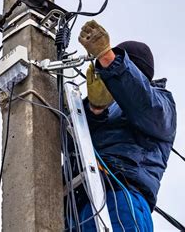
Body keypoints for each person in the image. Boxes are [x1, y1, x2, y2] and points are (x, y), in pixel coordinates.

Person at [75, 20, 177, 231]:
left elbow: (141, 100)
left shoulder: (160, 104)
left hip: (121, 194)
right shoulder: (106, 106)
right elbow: (66, 143)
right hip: (80, 203)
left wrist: (108, 58)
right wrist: (95, 109)